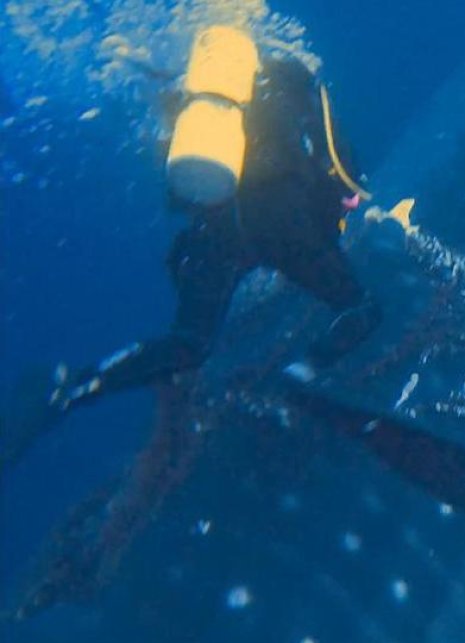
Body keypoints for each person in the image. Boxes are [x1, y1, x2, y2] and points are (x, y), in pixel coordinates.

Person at [4, 52, 381, 460]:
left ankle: (70, 387)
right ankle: (292, 381)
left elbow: (176, 179)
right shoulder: (298, 80)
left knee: (190, 343)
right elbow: (342, 174)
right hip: (276, 219)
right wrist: (345, 205)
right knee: (361, 309)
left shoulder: (203, 94)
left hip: (213, 227)